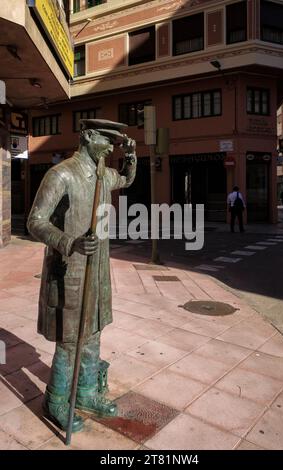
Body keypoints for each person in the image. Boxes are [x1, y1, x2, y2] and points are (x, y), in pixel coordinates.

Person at [27, 119, 137, 433]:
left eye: (115, 143)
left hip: (97, 268)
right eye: (107, 140)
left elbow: (126, 181)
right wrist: (68, 242)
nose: (110, 146)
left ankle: (87, 392)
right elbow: (35, 221)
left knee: (92, 334)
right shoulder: (60, 174)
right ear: (88, 136)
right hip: (70, 269)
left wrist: (131, 157)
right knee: (70, 340)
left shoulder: (103, 174)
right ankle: (57, 399)